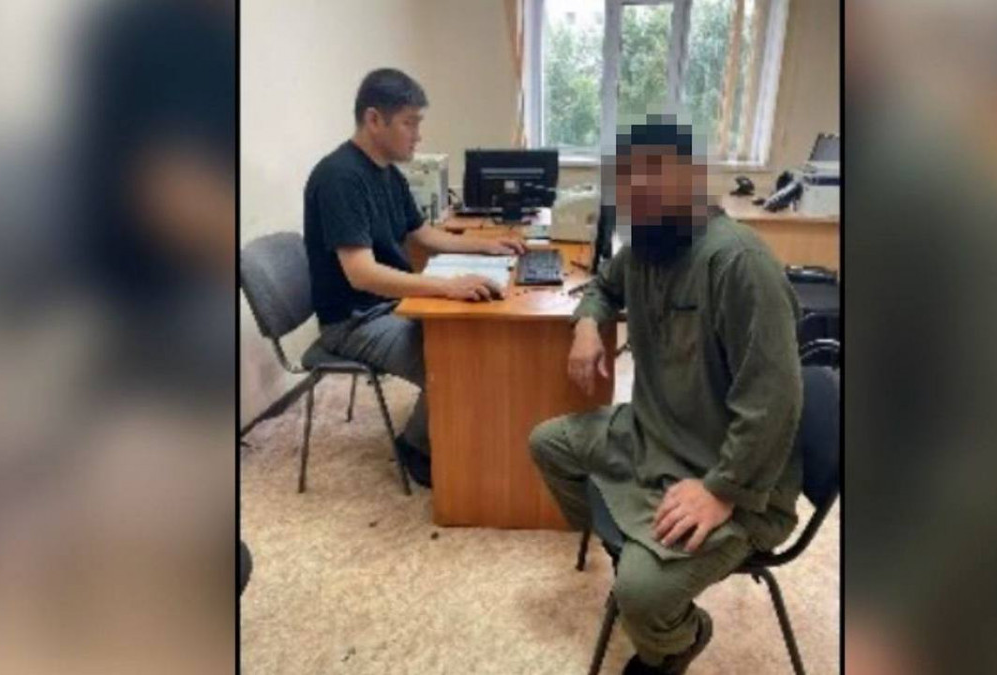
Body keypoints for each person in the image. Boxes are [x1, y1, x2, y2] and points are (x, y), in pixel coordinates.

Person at [528, 117, 804, 674]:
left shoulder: (738, 263)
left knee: (642, 595)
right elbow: (603, 286)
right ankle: (635, 550)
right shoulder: (647, 246)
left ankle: (677, 638)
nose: (641, 196)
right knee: (549, 444)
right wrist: (588, 324)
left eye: (657, 179)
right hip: (650, 436)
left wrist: (721, 490)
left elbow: (775, 399)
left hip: (729, 472)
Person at [303, 68, 525, 488]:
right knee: (458, 358)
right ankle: (416, 446)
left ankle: (460, 426)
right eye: (409, 123)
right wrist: (447, 287)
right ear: (374, 119)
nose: (418, 136)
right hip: (354, 320)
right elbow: (362, 274)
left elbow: (422, 234)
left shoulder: (387, 172)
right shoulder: (340, 179)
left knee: (476, 334)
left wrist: (485, 246)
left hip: (388, 305)